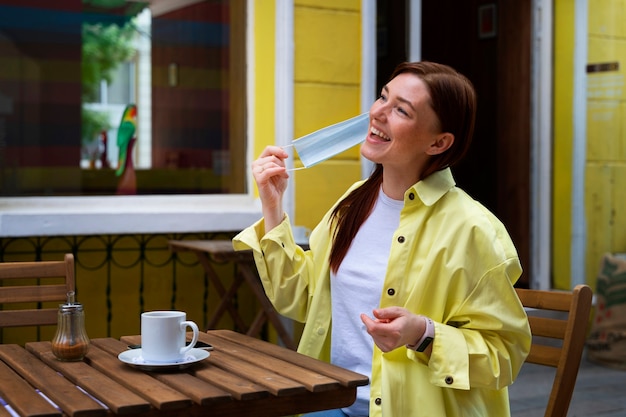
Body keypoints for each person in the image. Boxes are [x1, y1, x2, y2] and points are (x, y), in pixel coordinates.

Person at [233, 61, 531, 417]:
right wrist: (272, 207)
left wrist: (423, 334)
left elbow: (504, 354)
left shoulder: (472, 230)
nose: (378, 113)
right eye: (382, 97)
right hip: (333, 402)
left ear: (439, 142)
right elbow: (300, 298)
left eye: (401, 110)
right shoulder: (353, 203)